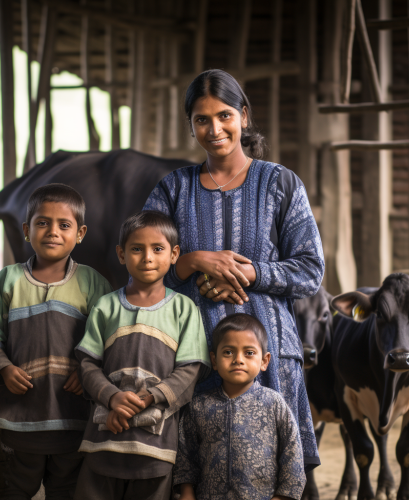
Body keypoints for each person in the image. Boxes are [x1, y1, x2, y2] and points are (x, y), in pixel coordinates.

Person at [144, 69, 324, 471]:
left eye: (224, 115)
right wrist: (193, 262)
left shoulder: (281, 183)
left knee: (272, 476)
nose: (214, 128)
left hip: (269, 360)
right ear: (190, 127)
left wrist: (250, 273)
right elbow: (145, 267)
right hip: (193, 358)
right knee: (198, 474)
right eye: (202, 119)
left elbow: (311, 270)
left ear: (244, 115)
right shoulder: (172, 189)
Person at [0, 183, 113, 499]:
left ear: (80, 233)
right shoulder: (7, 280)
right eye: (42, 222)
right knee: (18, 487)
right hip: (22, 414)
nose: (52, 231)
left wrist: (86, 370)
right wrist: (3, 368)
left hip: (74, 413)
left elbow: (108, 338)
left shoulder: (92, 283)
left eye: (64, 225)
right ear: (26, 230)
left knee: (65, 488)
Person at [73, 210, 211, 500]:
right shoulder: (105, 307)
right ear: (121, 255)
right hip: (104, 436)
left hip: (155, 445)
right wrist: (112, 398)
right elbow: (87, 364)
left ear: (174, 254)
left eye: (157, 249)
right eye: (137, 249)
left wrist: (149, 398)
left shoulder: (184, 310)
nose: (147, 257)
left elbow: (191, 369)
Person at [174, 313, 307, 500]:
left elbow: (293, 455)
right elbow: (185, 454)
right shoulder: (199, 406)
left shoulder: (274, 403)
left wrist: (282, 497)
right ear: (214, 360)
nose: (238, 359)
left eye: (249, 353)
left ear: (264, 361)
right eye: (228, 352)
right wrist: (187, 493)